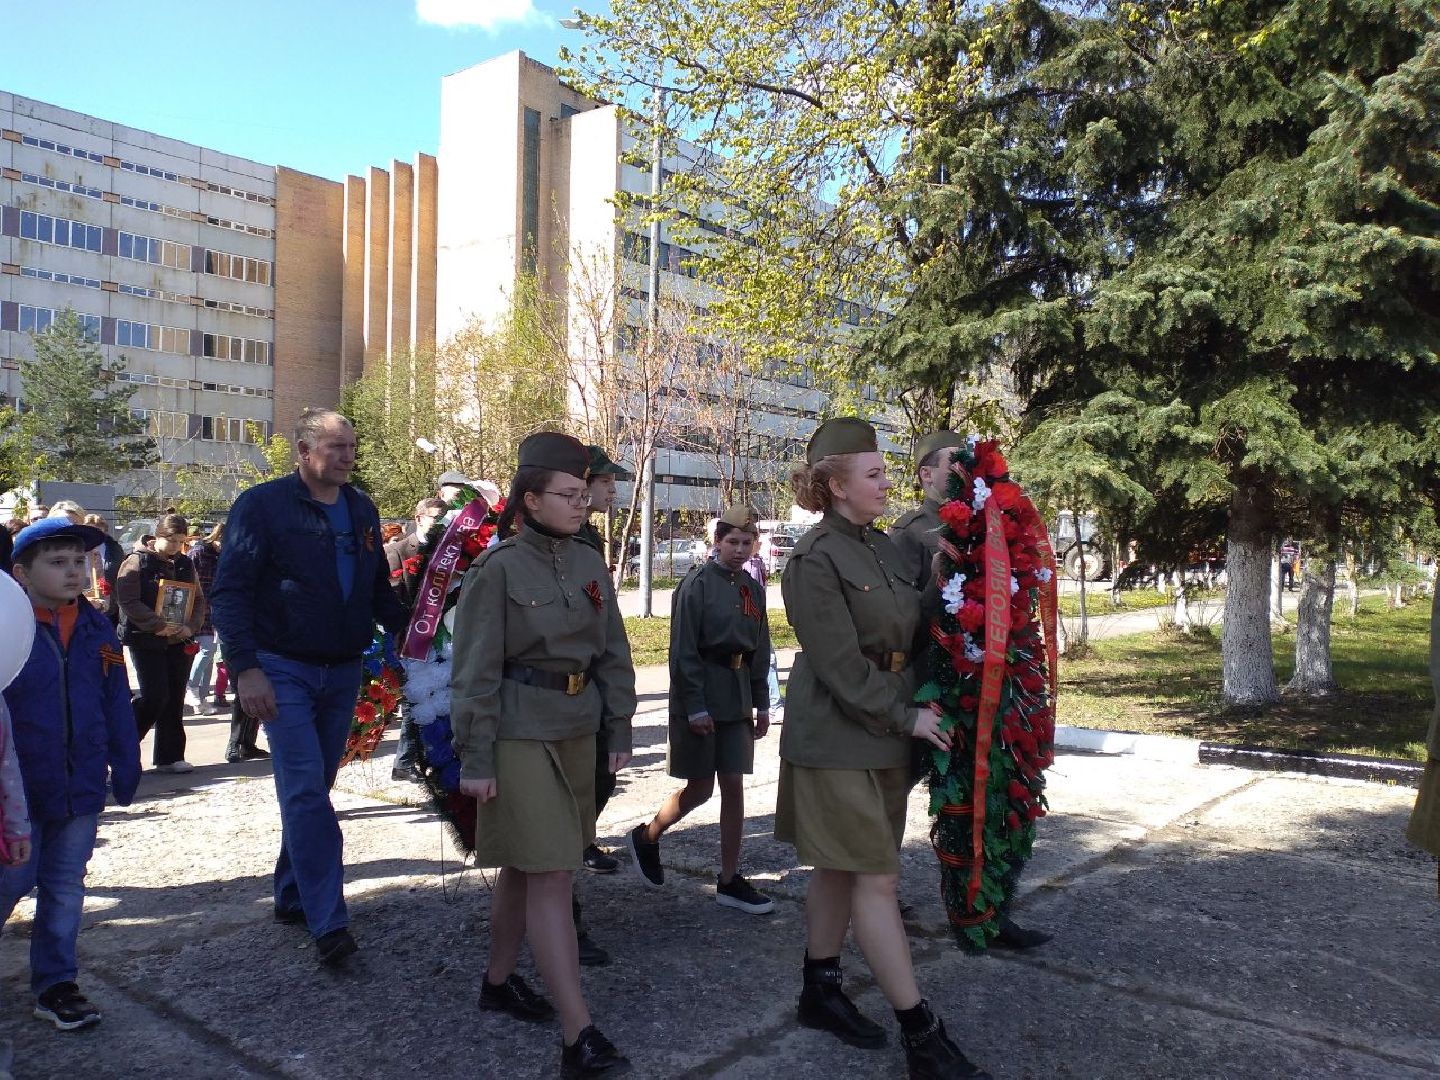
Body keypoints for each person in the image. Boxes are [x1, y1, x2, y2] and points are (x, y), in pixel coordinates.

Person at [775, 417, 991, 1079]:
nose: (888, 483)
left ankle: (819, 989)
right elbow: (841, 667)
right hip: (839, 736)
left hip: (886, 730)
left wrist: (949, 573)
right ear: (837, 486)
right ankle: (921, 1034)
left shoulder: (883, 547)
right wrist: (908, 716)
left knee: (840, 869)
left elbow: (910, 624)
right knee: (877, 878)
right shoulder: (813, 559)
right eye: (874, 474)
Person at [451, 432, 635, 1079]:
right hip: (518, 732)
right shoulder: (497, 570)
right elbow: (474, 672)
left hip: (577, 730)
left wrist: (618, 727)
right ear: (530, 499)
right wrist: (476, 757)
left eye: (585, 493)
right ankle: (578, 1035)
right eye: (568, 494)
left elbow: (613, 650)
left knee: (524, 868)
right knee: (554, 872)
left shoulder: (588, 563)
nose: (582, 503)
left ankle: (498, 983)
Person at [210, 409, 409, 966]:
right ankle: (329, 921)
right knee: (303, 791)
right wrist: (245, 668)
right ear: (303, 450)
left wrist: (413, 633)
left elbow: (377, 589)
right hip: (282, 668)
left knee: (314, 787)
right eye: (336, 447)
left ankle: (293, 894)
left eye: (352, 446)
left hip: (342, 669)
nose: (348, 456)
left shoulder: (361, 507)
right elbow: (230, 591)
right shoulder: (262, 505)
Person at [0, 519, 141, 1031]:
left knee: (65, 886)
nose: (73, 572)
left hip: (80, 785)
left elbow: (115, 700)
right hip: (21, 790)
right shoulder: (9, 627)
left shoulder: (97, 627)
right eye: (57, 562)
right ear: (20, 573)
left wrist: (126, 762)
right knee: (11, 881)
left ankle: (56, 984)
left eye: (79, 561)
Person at [628, 505, 774, 914]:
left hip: (737, 695)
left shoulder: (752, 588)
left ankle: (729, 879)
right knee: (700, 789)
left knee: (734, 784)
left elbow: (760, 648)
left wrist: (762, 702)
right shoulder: (696, 584)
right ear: (717, 542)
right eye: (733, 542)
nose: (740, 550)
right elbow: (683, 651)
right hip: (703, 692)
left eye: (747, 543)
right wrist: (694, 707)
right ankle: (648, 836)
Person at [574, 445, 628, 876]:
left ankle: (581, 839)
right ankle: (574, 844)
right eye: (605, 481)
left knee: (600, 772)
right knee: (588, 773)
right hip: (569, 676)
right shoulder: (570, 538)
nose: (612, 490)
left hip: (593, 671)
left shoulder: (588, 535)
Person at [117, 514, 204, 773]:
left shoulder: (186, 563)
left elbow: (198, 599)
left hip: (178, 638)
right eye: (172, 540)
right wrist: (156, 624)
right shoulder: (136, 561)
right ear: (157, 536)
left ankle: (170, 756)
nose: (176, 546)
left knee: (175, 697)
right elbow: (128, 600)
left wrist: (190, 626)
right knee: (155, 696)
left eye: (181, 541)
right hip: (145, 638)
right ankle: (122, 748)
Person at [385, 497, 447, 782]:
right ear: (419, 518)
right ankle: (405, 761)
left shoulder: (447, 550)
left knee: (437, 698)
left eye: (443, 518)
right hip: (410, 636)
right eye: (435, 518)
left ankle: (428, 758)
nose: (439, 523)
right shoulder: (398, 550)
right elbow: (390, 594)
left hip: (440, 634)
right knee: (415, 697)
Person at [186, 525, 225, 715]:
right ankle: (191, 687)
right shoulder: (199, 551)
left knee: (209, 656)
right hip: (197, 607)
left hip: (214, 608)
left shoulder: (220, 556)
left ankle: (200, 701)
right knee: (207, 649)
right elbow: (186, 578)